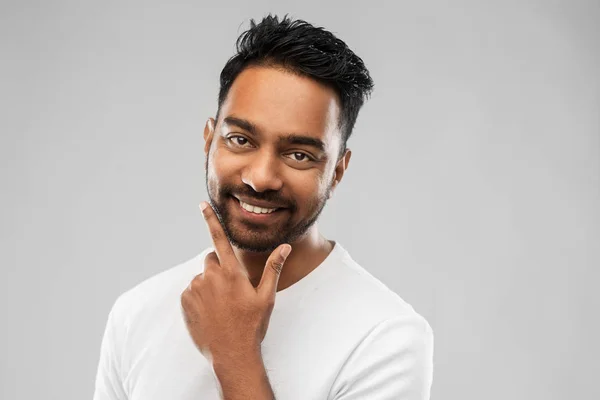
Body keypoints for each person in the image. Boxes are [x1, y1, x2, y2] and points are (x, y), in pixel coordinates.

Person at [93, 14, 434, 400]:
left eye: (299, 154)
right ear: (209, 140)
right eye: (240, 139)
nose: (260, 177)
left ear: (337, 171)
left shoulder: (387, 337)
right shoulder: (135, 314)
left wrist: (234, 354)